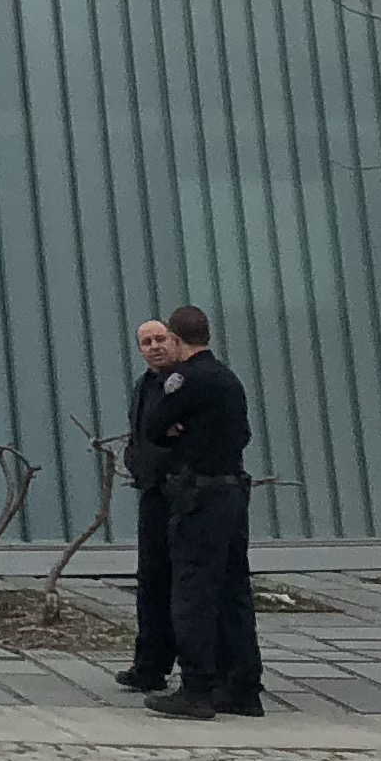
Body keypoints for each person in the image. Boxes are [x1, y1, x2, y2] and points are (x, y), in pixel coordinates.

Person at [136, 304, 262, 720]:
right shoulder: (228, 377)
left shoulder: (184, 379)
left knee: (192, 593)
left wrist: (177, 429)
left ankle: (196, 688)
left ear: (175, 338)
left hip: (199, 497)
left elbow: (153, 425)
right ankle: (242, 686)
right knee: (233, 591)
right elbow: (242, 434)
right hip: (232, 492)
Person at [112, 316, 185, 695]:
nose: (154, 347)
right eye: (146, 342)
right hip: (151, 491)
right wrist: (135, 461)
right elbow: (141, 435)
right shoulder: (144, 385)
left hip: (179, 492)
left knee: (183, 582)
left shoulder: (184, 384)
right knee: (151, 579)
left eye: (160, 339)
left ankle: (192, 664)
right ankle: (149, 664)